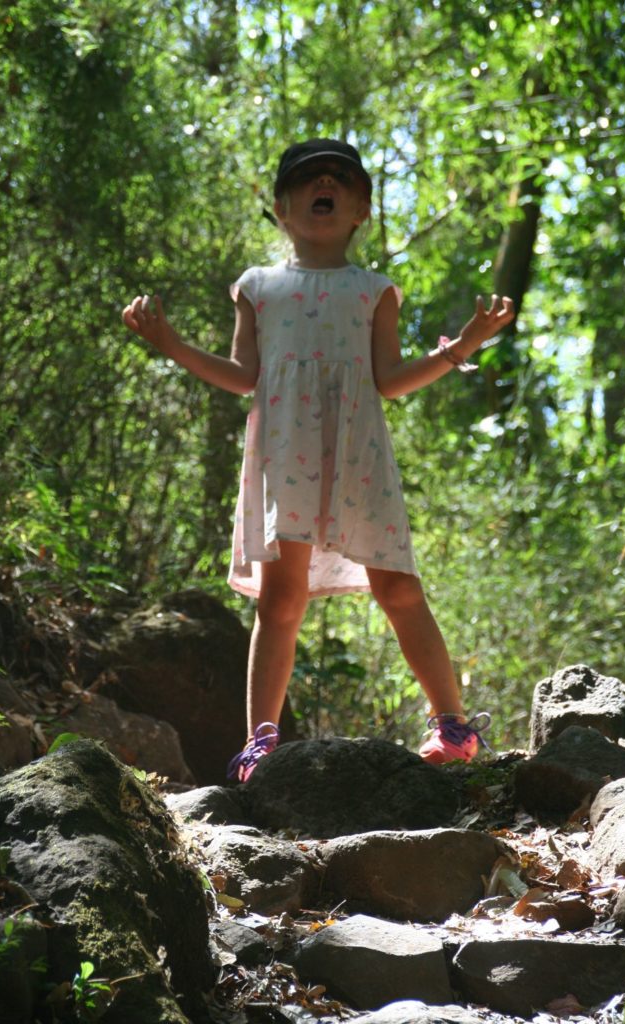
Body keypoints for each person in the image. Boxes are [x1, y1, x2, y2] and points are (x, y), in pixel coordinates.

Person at [122, 138, 515, 781]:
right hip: (287, 452)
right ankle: (261, 743)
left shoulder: (374, 291)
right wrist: (171, 343)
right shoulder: (258, 288)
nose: (324, 185)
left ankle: (453, 726)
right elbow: (243, 374)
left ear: (362, 210)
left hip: (359, 453)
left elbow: (389, 379)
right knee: (281, 598)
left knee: (398, 586)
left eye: (338, 179)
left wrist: (461, 346)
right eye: (308, 180)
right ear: (282, 208)